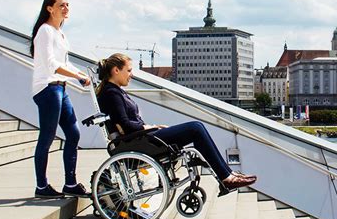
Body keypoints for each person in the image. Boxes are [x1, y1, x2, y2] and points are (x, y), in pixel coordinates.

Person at [96, 53, 257, 190]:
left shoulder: (113, 91)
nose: (131, 74)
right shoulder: (112, 93)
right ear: (116, 70)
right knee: (195, 128)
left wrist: (150, 128)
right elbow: (125, 124)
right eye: (129, 70)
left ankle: (227, 173)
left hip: (142, 138)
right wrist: (149, 127)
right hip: (140, 140)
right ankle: (226, 176)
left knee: (197, 128)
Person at [30, 0, 90, 198]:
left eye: (67, 4)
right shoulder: (45, 31)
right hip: (47, 88)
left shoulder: (60, 34)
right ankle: (41, 186)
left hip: (60, 89)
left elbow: (64, 62)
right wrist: (77, 77)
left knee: (73, 134)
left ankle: (70, 183)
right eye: (61, 5)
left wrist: (81, 73)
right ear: (49, 8)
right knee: (46, 137)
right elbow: (51, 65)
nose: (66, 8)